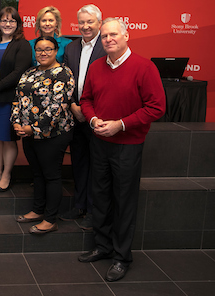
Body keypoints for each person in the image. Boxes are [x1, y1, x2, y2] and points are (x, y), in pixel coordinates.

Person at [78, 18, 165, 282]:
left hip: (128, 146)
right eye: (104, 36)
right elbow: (86, 99)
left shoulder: (144, 67)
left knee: (124, 201)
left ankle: (121, 257)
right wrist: (93, 119)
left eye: (113, 34)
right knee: (100, 197)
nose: (108, 39)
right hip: (99, 143)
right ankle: (103, 246)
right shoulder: (96, 67)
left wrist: (121, 125)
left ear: (126, 36)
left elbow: (156, 107)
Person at [12, 36, 75, 235]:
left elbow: (57, 107)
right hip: (28, 133)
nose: (43, 53)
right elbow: (18, 99)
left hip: (54, 134)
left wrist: (33, 128)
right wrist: (16, 122)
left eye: (48, 49)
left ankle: (50, 219)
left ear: (56, 51)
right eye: (39, 49)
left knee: (51, 175)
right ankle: (37, 210)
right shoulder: (29, 72)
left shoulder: (63, 73)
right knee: (37, 173)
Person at [60, 4, 106, 229]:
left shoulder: (107, 46)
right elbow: (66, 80)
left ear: (100, 23)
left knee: (98, 165)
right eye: (82, 22)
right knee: (79, 162)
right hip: (76, 115)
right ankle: (79, 205)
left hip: (99, 116)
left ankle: (93, 210)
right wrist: (73, 106)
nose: (85, 26)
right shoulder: (71, 48)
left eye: (90, 22)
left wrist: (89, 112)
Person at [0, 7, 32, 192]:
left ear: (17, 24)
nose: (7, 24)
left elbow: (19, 72)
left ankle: (6, 175)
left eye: (12, 21)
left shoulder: (22, 45)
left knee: (8, 138)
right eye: (4, 20)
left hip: (9, 98)